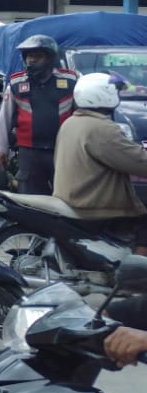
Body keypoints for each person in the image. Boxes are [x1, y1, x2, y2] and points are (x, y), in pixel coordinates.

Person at [52, 72, 147, 256]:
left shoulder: (72, 121)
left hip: (71, 197)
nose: (118, 97)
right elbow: (137, 161)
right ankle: (138, 271)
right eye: (116, 92)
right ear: (104, 94)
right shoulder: (102, 128)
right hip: (93, 205)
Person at [0, 34, 76, 194]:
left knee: (66, 195)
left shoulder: (71, 82)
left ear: (50, 58)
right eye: (29, 56)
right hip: (29, 153)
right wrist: (0, 149)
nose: (32, 60)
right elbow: (4, 118)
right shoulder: (17, 84)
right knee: (29, 198)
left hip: (63, 151)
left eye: (38, 56)